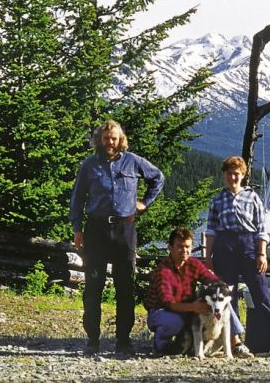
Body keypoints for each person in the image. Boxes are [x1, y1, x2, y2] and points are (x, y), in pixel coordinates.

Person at [68, 119, 165, 357]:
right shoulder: (89, 165)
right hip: (95, 231)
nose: (110, 142)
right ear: (99, 140)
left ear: (120, 139)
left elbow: (158, 178)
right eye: (106, 138)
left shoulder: (132, 161)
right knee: (93, 286)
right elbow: (77, 197)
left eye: (114, 138)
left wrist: (144, 203)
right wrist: (77, 229)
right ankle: (92, 339)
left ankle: (124, 340)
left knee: (125, 286)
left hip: (125, 230)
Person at [205, 156, 270, 360]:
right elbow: (211, 230)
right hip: (224, 248)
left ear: (243, 175)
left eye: (236, 173)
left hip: (248, 246)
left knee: (261, 293)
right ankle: (235, 342)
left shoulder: (252, 197)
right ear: (224, 175)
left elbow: (261, 228)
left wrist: (261, 253)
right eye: (229, 173)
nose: (232, 177)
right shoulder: (218, 200)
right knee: (228, 296)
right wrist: (208, 257)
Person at [143, 227, 254, 358]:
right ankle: (160, 346)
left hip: (186, 309)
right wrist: (194, 307)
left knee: (223, 303)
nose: (184, 250)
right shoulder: (163, 271)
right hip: (161, 311)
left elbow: (213, 280)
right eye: (179, 246)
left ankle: (236, 344)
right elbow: (169, 303)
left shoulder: (193, 264)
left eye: (187, 247)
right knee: (174, 322)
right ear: (170, 248)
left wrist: (224, 289)